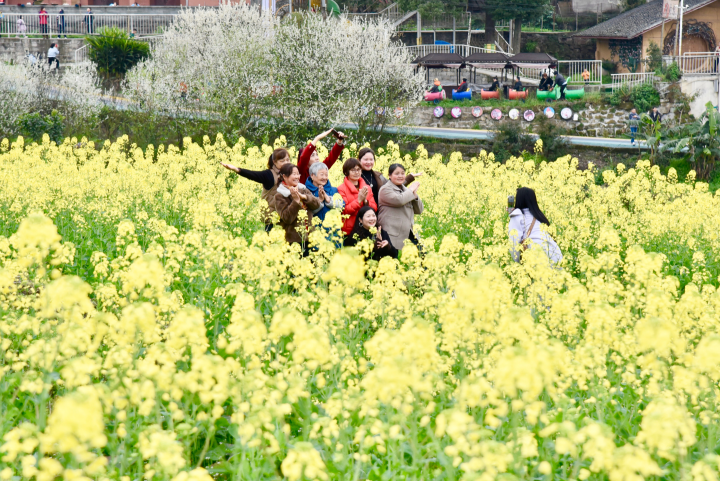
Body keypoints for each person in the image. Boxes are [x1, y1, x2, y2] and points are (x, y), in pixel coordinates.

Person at [220, 148, 290, 232]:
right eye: (282, 161)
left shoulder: (291, 174)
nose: (286, 163)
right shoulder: (269, 175)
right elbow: (254, 175)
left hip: (286, 220)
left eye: (287, 160)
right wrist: (237, 170)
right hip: (272, 221)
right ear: (274, 162)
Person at [508, 187, 562, 264]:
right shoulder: (539, 216)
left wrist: (517, 264)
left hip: (537, 257)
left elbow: (514, 243)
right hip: (556, 256)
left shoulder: (517, 215)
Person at [274, 163, 321, 251]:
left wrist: (305, 197)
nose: (297, 176)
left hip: (310, 237)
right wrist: (296, 201)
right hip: (294, 240)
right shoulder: (280, 195)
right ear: (284, 176)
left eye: (298, 174)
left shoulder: (303, 189)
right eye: (294, 174)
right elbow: (287, 218)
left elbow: (317, 204)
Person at [377, 163, 423, 251]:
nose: (400, 176)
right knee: (392, 260)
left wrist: (415, 195)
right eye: (397, 173)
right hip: (392, 233)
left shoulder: (406, 190)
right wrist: (410, 190)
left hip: (408, 230)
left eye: (402, 173)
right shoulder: (385, 189)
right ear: (389, 176)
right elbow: (399, 200)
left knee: (422, 255)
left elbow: (419, 210)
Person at [339, 158, 377, 235]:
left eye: (358, 169)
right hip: (349, 230)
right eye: (353, 170)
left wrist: (365, 201)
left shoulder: (367, 188)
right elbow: (344, 210)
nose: (356, 172)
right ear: (346, 172)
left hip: (365, 228)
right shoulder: (341, 189)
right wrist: (358, 200)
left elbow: (374, 208)